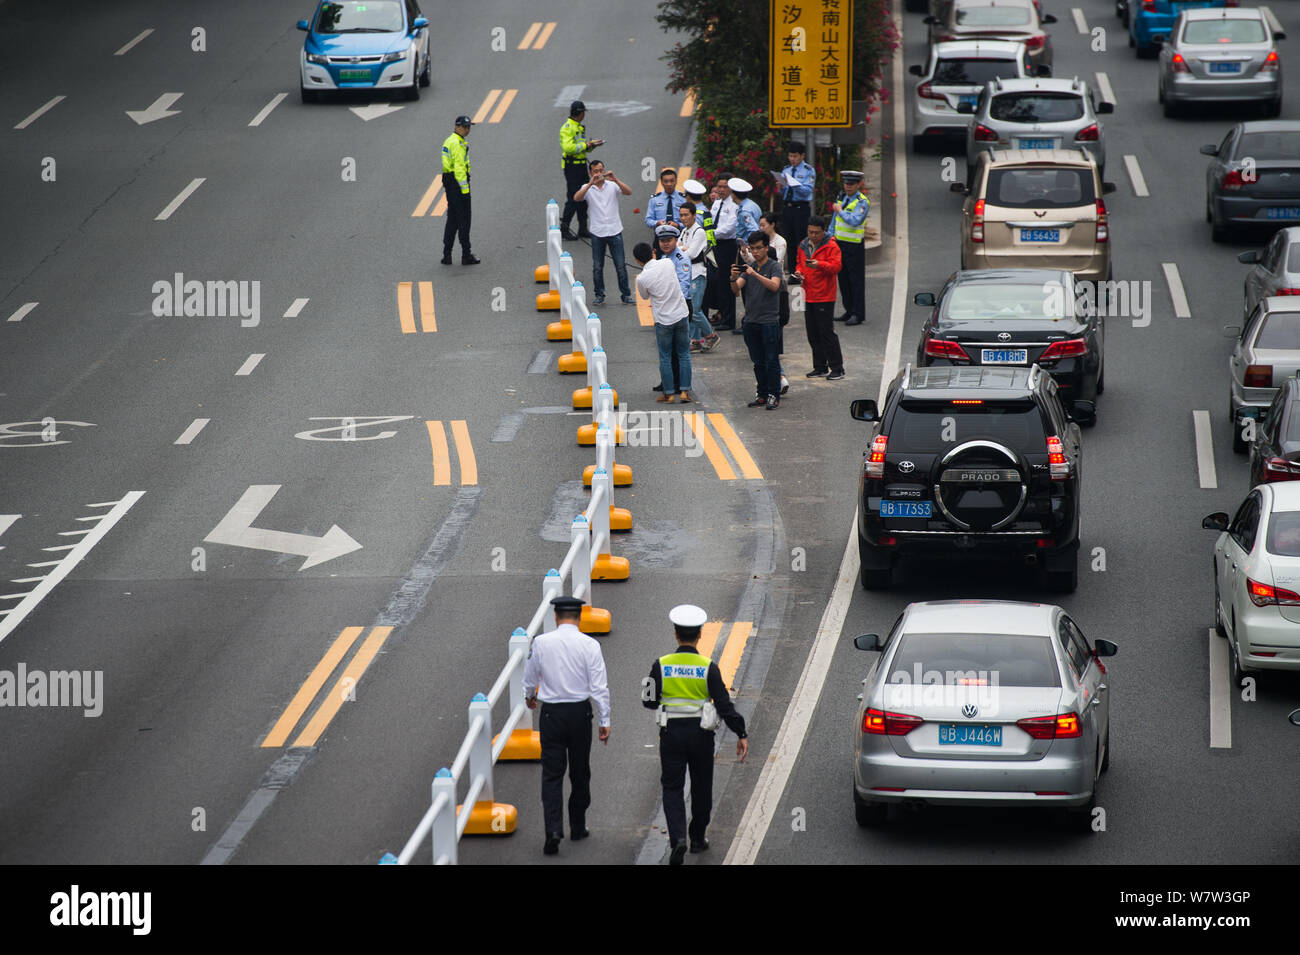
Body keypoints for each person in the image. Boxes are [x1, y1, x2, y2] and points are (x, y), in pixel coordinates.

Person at [643, 604, 748, 865]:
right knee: (702, 788)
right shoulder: (708, 667)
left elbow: (648, 700)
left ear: (676, 634)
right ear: (700, 634)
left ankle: (678, 839)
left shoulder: (661, 665)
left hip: (671, 735)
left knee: (672, 787)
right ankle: (698, 838)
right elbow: (724, 704)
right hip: (701, 737)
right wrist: (741, 732)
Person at [523, 594, 612, 856]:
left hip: (551, 715)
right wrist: (604, 719)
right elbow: (599, 686)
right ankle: (578, 824)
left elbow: (530, 677)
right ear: (580, 617)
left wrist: (530, 697)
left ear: (556, 616)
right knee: (580, 770)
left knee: (551, 774)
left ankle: (552, 830)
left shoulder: (541, 642)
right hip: (579, 714)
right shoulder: (590, 645)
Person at [634, 236, 692, 403]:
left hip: (663, 319)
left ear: (637, 260)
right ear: (653, 252)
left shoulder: (642, 278)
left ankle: (668, 393)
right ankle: (685, 392)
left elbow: (644, 297)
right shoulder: (668, 263)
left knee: (665, 356)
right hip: (681, 313)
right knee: (684, 354)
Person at [731, 230, 784, 410]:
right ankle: (761, 393)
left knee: (771, 360)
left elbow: (775, 286)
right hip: (751, 321)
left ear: (766, 248)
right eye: (752, 248)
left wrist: (754, 274)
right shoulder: (750, 268)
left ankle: (773, 394)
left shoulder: (773, 266)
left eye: (759, 248)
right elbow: (736, 289)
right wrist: (732, 278)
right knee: (758, 361)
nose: (755, 252)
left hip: (769, 321)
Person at [573, 160, 634, 307]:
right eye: (595, 171)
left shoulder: (612, 186)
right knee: (598, 266)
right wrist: (590, 184)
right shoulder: (587, 188)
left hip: (614, 230)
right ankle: (599, 295)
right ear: (590, 173)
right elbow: (577, 198)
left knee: (620, 265)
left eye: (601, 170)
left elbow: (628, 192)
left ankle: (626, 295)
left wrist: (616, 179)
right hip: (598, 232)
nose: (599, 174)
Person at [795, 215, 846, 380]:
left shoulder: (831, 246)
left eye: (816, 233)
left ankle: (837, 368)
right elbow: (798, 263)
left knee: (826, 333)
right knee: (813, 333)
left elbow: (836, 267)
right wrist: (799, 272)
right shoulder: (803, 245)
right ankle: (820, 366)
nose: (813, 236)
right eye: (810, 232)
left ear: (823, 231)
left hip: (824, 296)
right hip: (807, 294)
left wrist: (820, 265)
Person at [829, 169, 869, 326]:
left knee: (856, 281)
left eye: (851, 184)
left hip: (854, 246)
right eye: (846, 183)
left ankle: (858, 314)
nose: (848, 187)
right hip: (839, 244)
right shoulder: (841, 197)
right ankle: (849, 310)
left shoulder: (862, 201)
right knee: (843, 279)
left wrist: (840, 211)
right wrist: (830, 236)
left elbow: (855, 221)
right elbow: (834, 220)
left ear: (859, 184)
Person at [559, 101, 604, 240]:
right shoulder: (567, 128)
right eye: (583, 112)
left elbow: (581, 147)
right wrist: (586, 144)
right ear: (580, 113)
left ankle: (583, 228)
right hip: (572, 167)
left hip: (581, 165)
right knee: (573, 197)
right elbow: (568, 148)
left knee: (584, 196)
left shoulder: (578, 127)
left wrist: (592, 145)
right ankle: (564, 228)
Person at [440, 115, 480, 265]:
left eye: (469, 127)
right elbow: (459, 168)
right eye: (465, 126)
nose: (467, 129)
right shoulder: (457, 143)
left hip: (450, 182)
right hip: (457, 185)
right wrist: (465, 191)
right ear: (457, 127)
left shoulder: (450, 140)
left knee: (452, 219)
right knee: (464, 220)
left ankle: (447, 254)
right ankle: (466, 254)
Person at [678, 203, 717, 352]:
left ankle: (710, 335)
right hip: (687, 274)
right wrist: (683, 249)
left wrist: (682, 249)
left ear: (694, 215)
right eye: (681, 215)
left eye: (686, 215)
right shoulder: (684, 231)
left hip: (698, 274)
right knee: (691, 308)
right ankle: (694, 341)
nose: (683, 218)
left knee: (694, 310)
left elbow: (692, 254)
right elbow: (678, 248)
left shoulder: (699, 232)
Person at [776, 141, 815, 272]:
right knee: (789, 240)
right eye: (790, 156)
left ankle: (802, 270)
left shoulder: (809, 171)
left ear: (802, 156)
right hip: (788, 208)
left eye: (795, 156)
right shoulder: (786, 169)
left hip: (801, 208)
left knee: (801, 240)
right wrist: (780, 187)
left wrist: (794, 184)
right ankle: (792, 271)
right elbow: (782, 192)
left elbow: (807, 191)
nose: (792, 159)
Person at [708, 175, 739, 331]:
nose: (721, 190)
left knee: (727, 282)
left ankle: (729, 319)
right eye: (719, 186)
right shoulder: (717, 203)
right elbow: (711, 220)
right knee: (717, 281)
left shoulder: (733, 205)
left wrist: (711, 234)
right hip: (715, 244)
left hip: (727, 245)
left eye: (724, 187)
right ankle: (722, 314)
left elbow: (729, 228)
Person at [644, 167, 687, 237]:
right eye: (666, 181)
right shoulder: (654, 199)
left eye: (672, 181)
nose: (669, 184)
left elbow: (690, 220)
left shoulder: (684, 199)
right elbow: (648, 220)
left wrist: (678, 225)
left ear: (676, 181)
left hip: (680, 235)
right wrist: (657, 223)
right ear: (661, 182)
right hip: (660, 235)